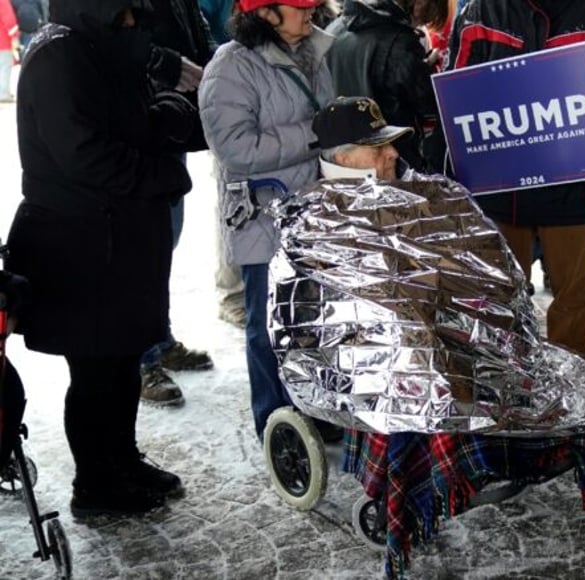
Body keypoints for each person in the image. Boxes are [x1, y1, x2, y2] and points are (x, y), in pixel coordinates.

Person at [299, 96, 585, 578]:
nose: (393, 156)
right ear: (341, 158)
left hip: (457, 335)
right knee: (440, 379)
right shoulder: (317, 217)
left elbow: (490, 259)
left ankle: (512, 445)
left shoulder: (430, 193)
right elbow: (333, 316)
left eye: (391, 146)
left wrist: (490, 307)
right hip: (394, 358)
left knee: (534, 377)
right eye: (378, 149)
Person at [5, 0, 197, 517]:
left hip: (117, 240)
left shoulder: (97, 40)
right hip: (79, 246)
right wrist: (161, 177)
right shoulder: (59, 57)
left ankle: (121, 460)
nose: (135, 20)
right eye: (128, 12)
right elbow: (85, 154)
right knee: (93, 373)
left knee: (122, 363)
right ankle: (94, 483)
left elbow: (126, 121)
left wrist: (164, 115)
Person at [445, 0, 585, 358]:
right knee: (501, 292)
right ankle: (509, 379)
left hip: (570, 181)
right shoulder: (481, 8)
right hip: (501, 185)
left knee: (572, 294)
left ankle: (571, 382)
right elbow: (454, 84)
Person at [198, 0, 337, 442]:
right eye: (299, 6)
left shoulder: (313, 52)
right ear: (265, 12)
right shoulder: (231, 67)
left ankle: (315, 410)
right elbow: (236, 149)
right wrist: (318, 133)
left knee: (315, 322)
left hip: (315, 212)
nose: (310, 11)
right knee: (270, 329)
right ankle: (277, 426)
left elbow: (328, 118)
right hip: (265, 218)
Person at [136, 0, 219, 407]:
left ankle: (158, 337)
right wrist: (166, 62)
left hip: (170, 114)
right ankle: (140, 358)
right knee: (141, 246)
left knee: (164, 239)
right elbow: (109, 36)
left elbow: (192, 25)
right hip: (137, 116)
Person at [325, 0, 448, 173]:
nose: (422, 26)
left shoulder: (333, 29)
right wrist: (426, 71)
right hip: (389, 155)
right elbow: (430, 104)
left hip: (338, 154)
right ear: (419, 4)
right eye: (425, 19)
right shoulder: (399, 40)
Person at [0, 0, 17, 103]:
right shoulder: (3, 1)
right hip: (2, 40)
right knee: (5, 66)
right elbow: (9, 19)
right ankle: (3, 93)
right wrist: (14, 37)